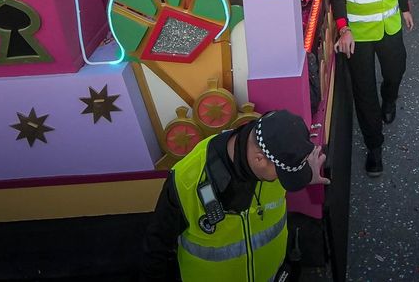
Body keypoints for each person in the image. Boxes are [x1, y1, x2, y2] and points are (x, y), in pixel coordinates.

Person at [139, 110, 325, 281]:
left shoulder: (273, 150)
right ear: (259, 158)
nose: (282, 181)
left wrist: (306, 176)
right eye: (283, 175)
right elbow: (157, 248)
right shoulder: (186, 180)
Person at [330, 0, 413, 176]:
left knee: (396, 70)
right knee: (364, 93)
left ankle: (389, 99)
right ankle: (374, 147)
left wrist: (404, 7)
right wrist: (344, 29)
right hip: (360, 34)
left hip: (390, 25)